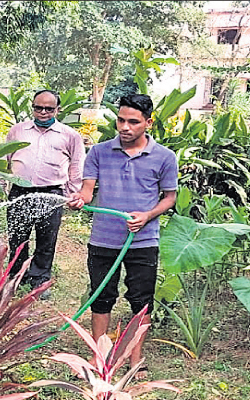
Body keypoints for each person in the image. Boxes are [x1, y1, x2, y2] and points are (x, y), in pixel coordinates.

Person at [67, 94, 178, 379]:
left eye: (133, 122)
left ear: (148, 123)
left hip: (143, 241)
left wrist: (148, 215)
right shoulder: (100, 152)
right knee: (101, 296)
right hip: (103, 238)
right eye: (120, 120)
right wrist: (80, 198)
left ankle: (134, 359)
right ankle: (99, 356)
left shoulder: (165, 157)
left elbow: (169, 198)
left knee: (141, 300)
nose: (125, 127)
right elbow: (88, 190)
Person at [5, 89, 86, 298]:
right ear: (32, 107)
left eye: (49, 108)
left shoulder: (70, 135)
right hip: (20, 192)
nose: (43, 112)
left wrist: (72, 194)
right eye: (38, 107)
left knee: (46, 239)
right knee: (17, 237)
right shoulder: (18, 131)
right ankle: (15, 277)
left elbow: (76, 167)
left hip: (51, 193)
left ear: (58, 109)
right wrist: (0, 187)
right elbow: (5, 159)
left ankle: (39, 279)